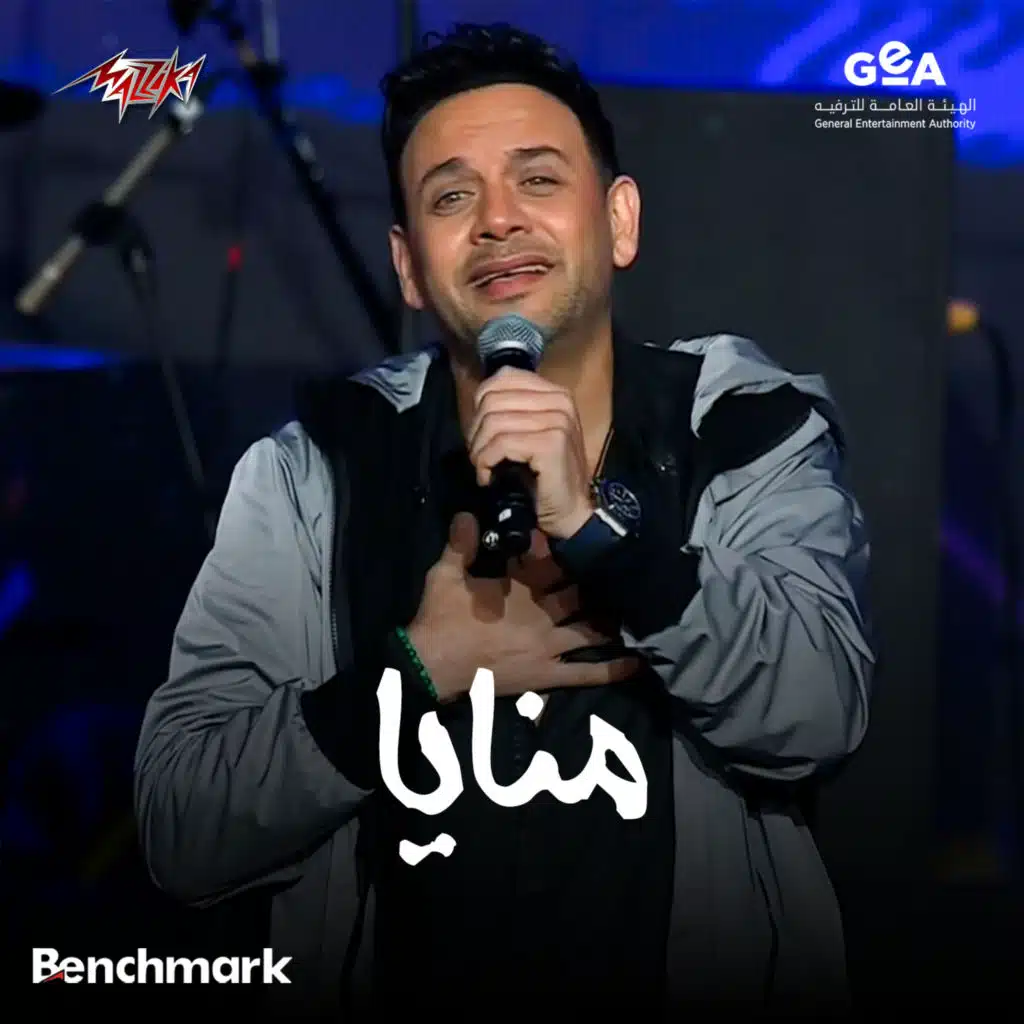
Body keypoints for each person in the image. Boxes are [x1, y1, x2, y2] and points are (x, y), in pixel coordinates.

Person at [134, 22, 874, 1020]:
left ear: (618, 221)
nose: (496, 220)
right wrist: (416, 668)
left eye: (537, 179)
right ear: (409, 266)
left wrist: (600, 534)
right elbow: (183, 825)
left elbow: (818, 713)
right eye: (451, 196)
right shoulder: (315, 469)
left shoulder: (740, 426)